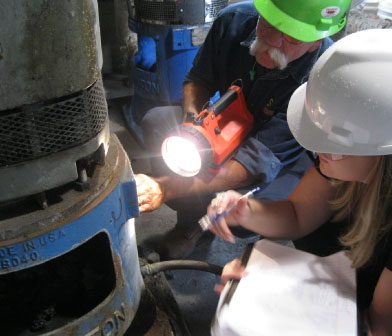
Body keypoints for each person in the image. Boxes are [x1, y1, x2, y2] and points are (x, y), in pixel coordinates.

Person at [208, 29, 392, 334]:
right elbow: (298, 213)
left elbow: (378, 327)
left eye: (332, 140)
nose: (317, 148)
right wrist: (247, 210)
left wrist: (272, 303)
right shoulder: (347, 166)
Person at [135, 0, 351, 259]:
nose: (273, 41)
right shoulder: (233, 21)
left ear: (316, 42)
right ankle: (190, 226)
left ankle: (259, 254)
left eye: (291, 39)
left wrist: (166, 187)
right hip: (227, 126)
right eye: (268, 25)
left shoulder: (320, 78)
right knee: (158, 124)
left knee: (244, 207)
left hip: (279, 155)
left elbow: (250, 165)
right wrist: (190, 127)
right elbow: (198, 80)